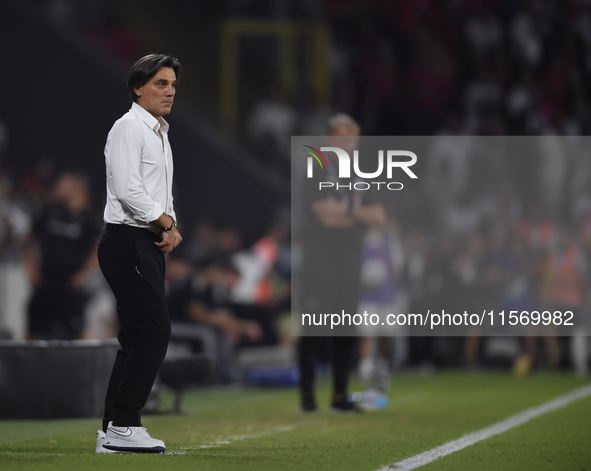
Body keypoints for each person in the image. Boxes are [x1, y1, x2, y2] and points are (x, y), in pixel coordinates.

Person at [95, 54, 183, 454]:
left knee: (135, 336)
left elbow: (158, 191)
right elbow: (129, 190)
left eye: (173, 85)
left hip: (143, 241)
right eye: (161, 84)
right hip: (126, 239)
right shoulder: (128, 128)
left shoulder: (159, 131)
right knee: (155, 330)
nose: (170, 92)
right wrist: (164, 223)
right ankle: (124, 423)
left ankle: (112, 429)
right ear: (138, 87)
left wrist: (169, 224)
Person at [297, 114, 385, 412]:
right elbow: (325, 215)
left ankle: (339, 395)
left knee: (345, 328)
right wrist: (357, 211)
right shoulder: (315, 168)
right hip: (319, 262)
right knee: (313, 327)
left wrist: (345, 209)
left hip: (349, 261)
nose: (348, 144)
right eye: (342, 137)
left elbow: (378, 217)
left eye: (351, 138)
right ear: (329, 140)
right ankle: (307, 396)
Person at [25, 172, 101, 340]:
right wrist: (31, 268)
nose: (58, 188)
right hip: (46, 281)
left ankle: (81, 364)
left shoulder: (89, 218)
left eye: (63, 185)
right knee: (34, 322)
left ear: (76, 188)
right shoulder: (50, 212)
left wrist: (84, 273)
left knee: (75, 330)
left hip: (71, 286)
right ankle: (25, 363)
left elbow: (99, 248)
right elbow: (28, 240)